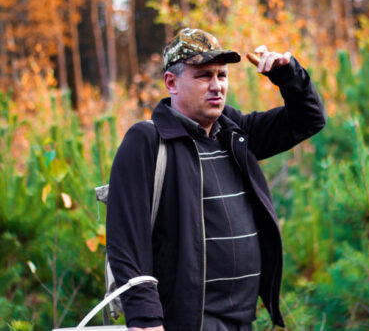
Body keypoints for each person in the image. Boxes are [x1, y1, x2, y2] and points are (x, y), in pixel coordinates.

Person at [106, 28, 326, 331]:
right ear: (171, 83)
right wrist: (145, 319)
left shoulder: (235, 132)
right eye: (204, 76)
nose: (217, 86)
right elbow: (126, 240)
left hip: (243, 321)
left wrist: (288, 76)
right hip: (185, 324)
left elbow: (309, 119)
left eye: (222, 75)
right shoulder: (148, 141)